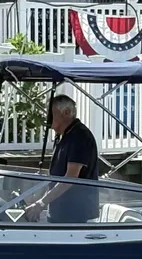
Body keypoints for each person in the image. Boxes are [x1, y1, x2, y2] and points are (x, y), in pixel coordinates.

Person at [24, 94, 99, 223]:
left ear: (66, 113)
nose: (48, 118)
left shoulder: (79, 136)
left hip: (75, 216)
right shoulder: (64, 136)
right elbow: (56, 175)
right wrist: (37, 198)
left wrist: (41, 204)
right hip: (61, 212)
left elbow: (70, 177)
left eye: (51, 113)